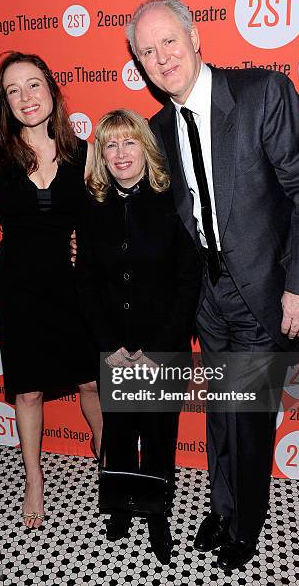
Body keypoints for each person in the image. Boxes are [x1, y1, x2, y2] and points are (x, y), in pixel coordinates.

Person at [126, 0, 299, 570]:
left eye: (168, 41)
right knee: (223, 411)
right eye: (146, 51)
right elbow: (157, 217)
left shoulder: (262, 93)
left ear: (195, 39)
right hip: (205, 297)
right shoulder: (159, 128)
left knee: (247, 414)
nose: (160, 57)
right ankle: (223, 508)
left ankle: (244, 523)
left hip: (266, 288)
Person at [0, 51, 102, 530]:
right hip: (20, 285)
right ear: (4, 102)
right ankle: (34, 478)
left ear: (51, 89)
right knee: (28, 391)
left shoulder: (83, 152)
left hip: (74, 286)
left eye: (33, 85)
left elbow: (101, 221)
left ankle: (107, 461)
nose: (25, 97)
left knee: (91, 381)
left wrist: (86, 245)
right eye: (13, 91)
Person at [74, 109, 201, 564]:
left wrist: (159, 347)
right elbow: (85, 279)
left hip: (162, 346)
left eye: (129, 143)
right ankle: (121, 507)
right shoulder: (93, 205)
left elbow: (189, 280)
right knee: (122, 431)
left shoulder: (173, 200)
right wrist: (111, 346)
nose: (120, 154)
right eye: (110, 145)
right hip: (114, 347)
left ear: (145, 147)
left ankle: (156, 513)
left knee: (159, 432)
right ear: (101, 156)